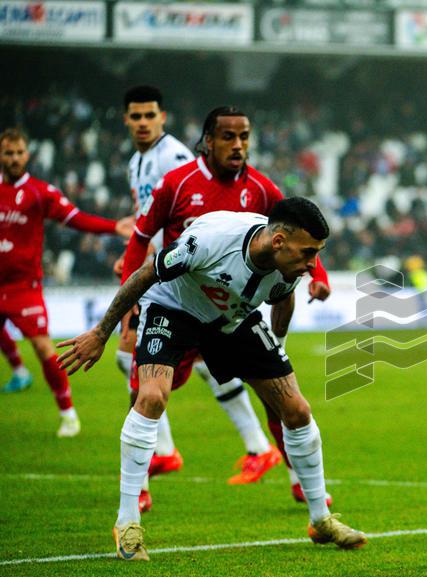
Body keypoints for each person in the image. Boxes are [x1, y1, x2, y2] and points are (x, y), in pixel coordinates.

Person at [58, 198, 366, 560]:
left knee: (297, 410)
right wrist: (101, 332)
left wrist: (275, 355)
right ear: (279, 241)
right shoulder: (210, 242)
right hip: (173, 310)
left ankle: (321, 520)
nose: (313, 265)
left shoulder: (287, 269)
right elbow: (144, 275)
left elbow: (282, 302)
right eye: (309, 253)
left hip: (231, 320)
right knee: (152, 397)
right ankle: (127, 524)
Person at [121, 106, 331, 497]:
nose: (238, 145)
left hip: (231, 309)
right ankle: (140, 484)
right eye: (229, 137)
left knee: (278, 392)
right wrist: (129, 305)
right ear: (208, 141)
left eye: (245, 137)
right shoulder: (177, 183)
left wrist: (317, 276)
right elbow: (141, 237)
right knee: (143, 390)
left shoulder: (263, 188)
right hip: (177, 305)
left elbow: (302, 233)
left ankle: (297, 475)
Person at [0, 128, 132, 436]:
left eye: (19, 153)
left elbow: (75, 218)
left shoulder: (39, 192)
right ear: (1, 156)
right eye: (8, 153)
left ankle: (68, 414)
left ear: (27, 155)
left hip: (24, 287)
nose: (15, 158)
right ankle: (19, 371)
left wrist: (114, 227)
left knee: (44, 347)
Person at [116, 85, 194, 510]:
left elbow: (184, 220)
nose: (143, 122)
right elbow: (147, 222)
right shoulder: (136, 162)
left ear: (163, 116)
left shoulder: (174, 158)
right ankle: (151, 466)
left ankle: (272, 456)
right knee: (134, 369)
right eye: (136, 116)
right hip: (152, 279)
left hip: (176, 283)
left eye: (150, 115)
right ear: (126, 120)